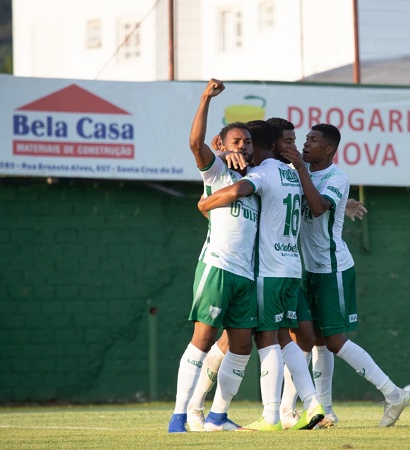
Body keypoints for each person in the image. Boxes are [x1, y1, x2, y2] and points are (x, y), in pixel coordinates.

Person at [280, 123, 410, 428]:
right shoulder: (301, 172)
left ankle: (393, 393)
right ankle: (326, 410)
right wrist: (341, 201)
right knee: (318, 342)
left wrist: (303, 171)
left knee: (336, 341)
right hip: (309, 271)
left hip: (332, 268)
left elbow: (317, 207)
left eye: (313, 141)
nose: (306, 144)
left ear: (328, 149)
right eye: (306, 139)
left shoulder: (336, 176)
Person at [198, 119, 326, 431]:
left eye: (249, 144)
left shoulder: (263, 172)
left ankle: (270, 416)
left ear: (260, 145)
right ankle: (311, 401)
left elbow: (240, 189)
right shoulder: (292, 173)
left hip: (268, 271)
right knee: (283, 337)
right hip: (291, 266)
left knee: (266, 338)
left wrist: (205, 202)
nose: (245, 151)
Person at [167, 79, 258, 433]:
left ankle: (217, 416)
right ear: (221, 144)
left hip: (246, 274)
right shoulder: (216, 171)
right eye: (236, 141)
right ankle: (178, 416)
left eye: (248, 141)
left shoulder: (259, 179)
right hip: (218, 266)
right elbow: (194, 143)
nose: (243, 146)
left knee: (240, 346)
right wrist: (205, 97)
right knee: (203, 339)